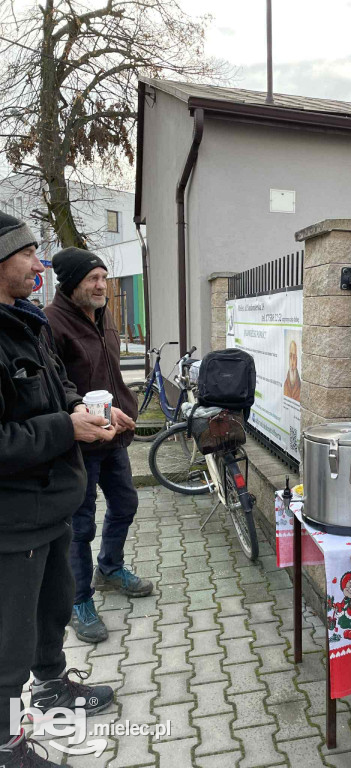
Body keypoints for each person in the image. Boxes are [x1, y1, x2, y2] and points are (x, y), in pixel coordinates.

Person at [0, 213, 115, 768]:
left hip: (51, 505)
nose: (38, 263)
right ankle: (4, 743)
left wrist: (85, 409)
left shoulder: (27, 322)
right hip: (11, 519)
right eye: (27, 254)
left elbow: (58, 389)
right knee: (8, 638)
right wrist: (65, 428)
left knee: (50, 614)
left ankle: (51, 688)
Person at [45, 248, 152, 644]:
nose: (101, 286)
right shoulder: (51, 324)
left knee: (126, 504)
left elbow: (108, 375)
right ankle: (78, 600)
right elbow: (58, 385)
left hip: (114, 438)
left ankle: (109, 568)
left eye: (104, 278)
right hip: (78, 444)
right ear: (71, 282)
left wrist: (122, 410)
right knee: (80, 524)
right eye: (93, 279)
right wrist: (88, 415)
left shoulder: (103, 318)